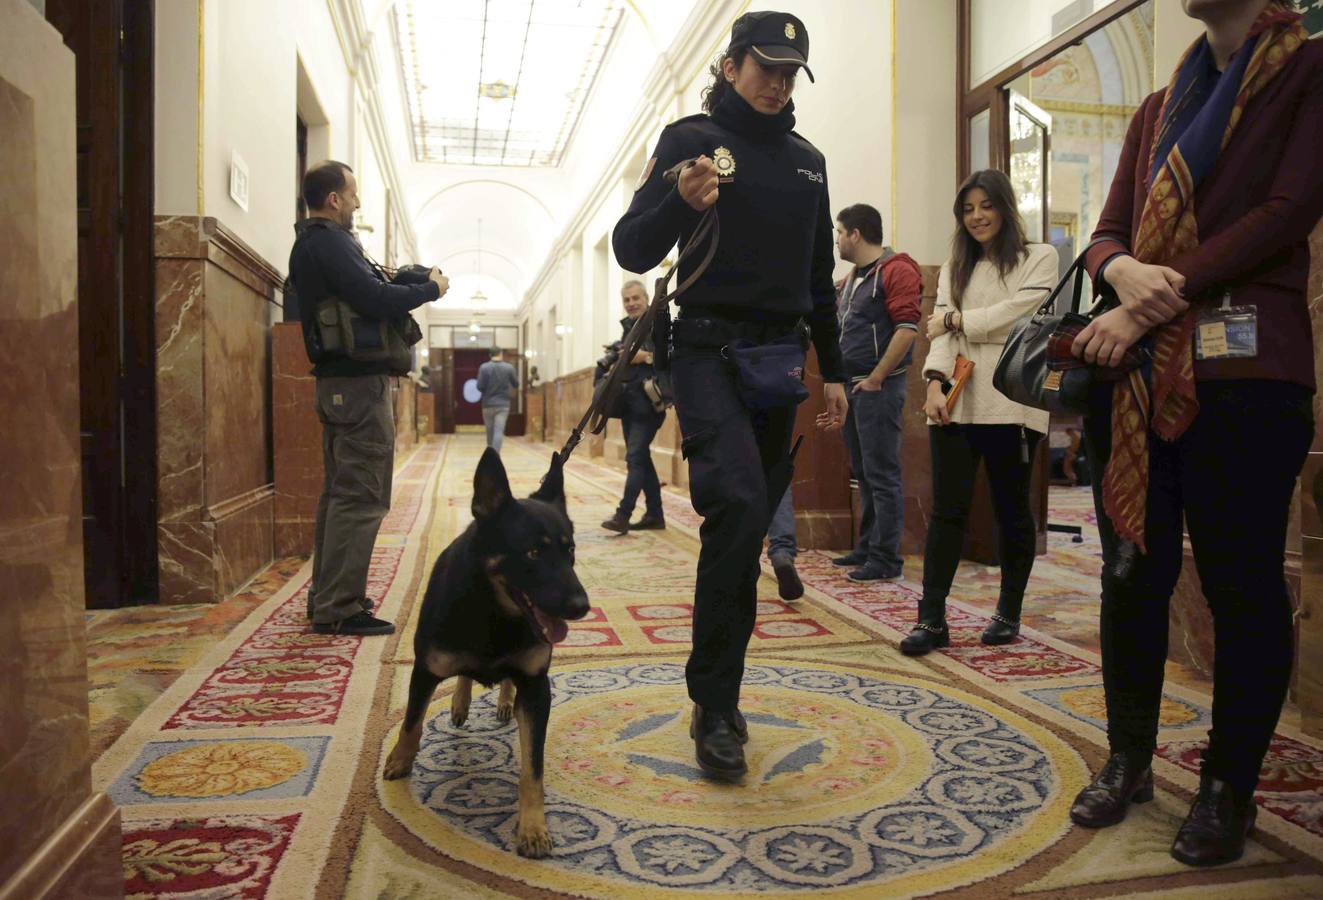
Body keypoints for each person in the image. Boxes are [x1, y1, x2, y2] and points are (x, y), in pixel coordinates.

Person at [1065, 0, 1322, 868]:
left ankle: (1226, 786)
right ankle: (1129, 758)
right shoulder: (1157, 106)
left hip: (1245, 377)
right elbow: (1101, 236)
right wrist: (1124, 271)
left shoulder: (1306, 73)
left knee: (1240, 581)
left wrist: (1147, 299)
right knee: (1130, 573)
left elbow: (1287, 211)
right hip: (1131, 382)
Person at [613, 10, 848, 781]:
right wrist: (681, 198)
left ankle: (720, 691)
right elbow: (632, 246)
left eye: (789, 72)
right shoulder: (689, 141)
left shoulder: (808, 162)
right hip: (708, 349)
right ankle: (715, 707)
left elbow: (818, 280)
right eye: (764, 67)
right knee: (741, 505)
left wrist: (836, 370)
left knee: (741, 532)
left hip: (780, 362)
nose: (776, 83)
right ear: (729, 63)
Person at [288, 160, 449, 636]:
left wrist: (403, 281)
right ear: (334, 199)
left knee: (340, 493)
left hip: (340, 385)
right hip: (356, 387)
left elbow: (366, 290)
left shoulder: (313, 242)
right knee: (361, 495)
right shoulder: (331, 240)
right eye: (354, 194)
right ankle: (339, 605)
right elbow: (374, 299)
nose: (358, 202)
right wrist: (430, 289)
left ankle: (328, 595)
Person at [909, 169, 1056, 656]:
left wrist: (955, 320)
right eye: (968, 209)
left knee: (1012, 512)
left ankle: (1007, 611)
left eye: (986, 206)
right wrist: (932, 382)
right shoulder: (957, 264)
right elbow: (941, 333)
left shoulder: (1041, 257)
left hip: (1014, 401)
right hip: (955, 398)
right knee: (947, 511)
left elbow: (1020, 317)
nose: (977, 217)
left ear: (1005, 207)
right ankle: (931, 620)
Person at [830, 203, 923, 583]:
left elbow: (906, 329)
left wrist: (877, 378)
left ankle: (886, 558)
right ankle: (868, 547)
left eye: (839, 232)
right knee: (864, 472)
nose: (836, 239)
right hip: (854, 384)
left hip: (877, 385)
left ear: (855, 233)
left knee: (882, 474)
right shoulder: (854, 277)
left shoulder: (897, 269)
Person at [602, 280, 668, 534]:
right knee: (641, 458)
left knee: (635, 458)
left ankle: (623, 514)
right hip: (629, 402)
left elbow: (672, 354)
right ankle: (655, 514)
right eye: (626, 300)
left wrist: (646, 357)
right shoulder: (628, 327)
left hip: (650, 403)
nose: (631, 303)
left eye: (635, 298)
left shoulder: (657, 322)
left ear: (646, 298)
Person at [477, 347, 519, 452]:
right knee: (498, 431)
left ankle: (490, 455)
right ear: (501, 354)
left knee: (489, 431)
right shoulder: (509, 368)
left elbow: (479, 386)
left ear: (490, 355)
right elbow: (516, 383)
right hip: (503, 404)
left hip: (487, 404)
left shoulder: (484, 367)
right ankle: (495, 457)